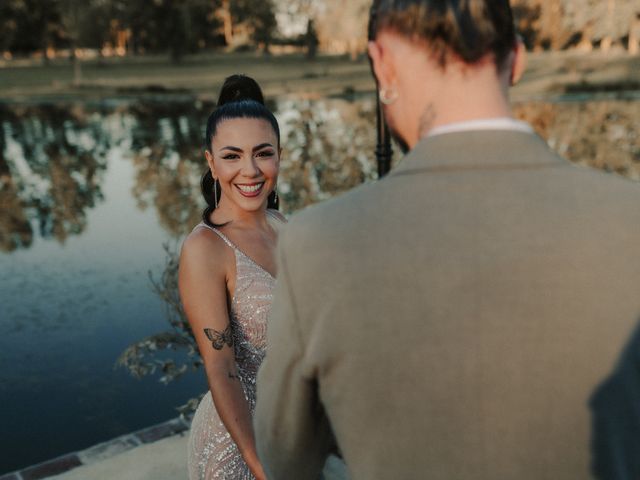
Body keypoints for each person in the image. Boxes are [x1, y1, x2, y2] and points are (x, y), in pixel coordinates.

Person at [254, 1, 640, 479]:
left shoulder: (315, 243)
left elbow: (284, 456)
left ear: (381, 62)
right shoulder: (631, 220)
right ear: (517, 60)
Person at [179, 74, 285, 480]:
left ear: (280, 154)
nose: (250, 170)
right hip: (238, 447)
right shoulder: (205, 248)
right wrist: (259, 464)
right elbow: (221, 366)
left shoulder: (282, 225)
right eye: (232, 155)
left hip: (288, 431)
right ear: (210, 161)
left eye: (263, 153)